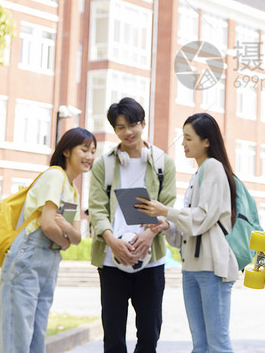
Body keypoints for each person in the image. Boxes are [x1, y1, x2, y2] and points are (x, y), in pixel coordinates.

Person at [136, 112, 239, 353]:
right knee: (200, 345)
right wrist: (166, 225)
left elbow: (202, 218)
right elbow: (190, 229)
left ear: (206, 141)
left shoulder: (213, 167)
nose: (183, 143)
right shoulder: (198, 173)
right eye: (183, 138)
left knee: (217, 344)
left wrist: (167, 211)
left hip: (211, 268)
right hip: (192, 267)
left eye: (188, 138)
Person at [88, 97, 177, 353]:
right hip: (111, 259)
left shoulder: (163, 163)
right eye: (120, 127)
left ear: (143, 123)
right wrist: (112, 241)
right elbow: (96, 208)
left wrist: (149, 235)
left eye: (132, 125)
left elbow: (168, 206)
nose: (127, 132)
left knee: (149, 335)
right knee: (113, 338)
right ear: (114, 130)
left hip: (151, 262)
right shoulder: (103, 165)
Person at [0, 126, 95, 353]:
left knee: (37, 334)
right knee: (17, 335)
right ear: (67, 151)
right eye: (84, 149)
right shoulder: (55, 175)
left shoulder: (72, 190)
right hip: (29, 256)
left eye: (93, 151)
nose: (90, 156)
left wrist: (67, 235)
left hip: (49, 260)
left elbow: (77, 237)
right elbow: (50, 225)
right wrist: (65, 237)